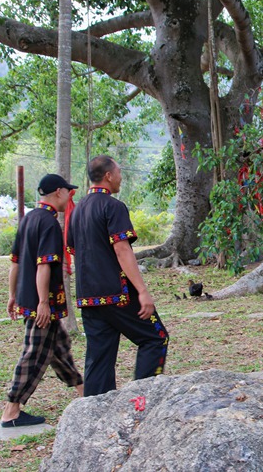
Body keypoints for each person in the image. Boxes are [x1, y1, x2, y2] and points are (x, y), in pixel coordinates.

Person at [67, 155, 169, 397]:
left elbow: (73, 250)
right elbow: (122, 249)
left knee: (99, 356)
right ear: (108, 176)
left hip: (88, 297)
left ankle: (94, 412)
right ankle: (141, 401)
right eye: (119, 172)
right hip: (117, 293)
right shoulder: (113, 207)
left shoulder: (78, 210)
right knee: (156, 338)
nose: (121, 177)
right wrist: (142, 291)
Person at [2, 174, 84, 427]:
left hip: (27, 298)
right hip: (41, 303)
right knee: (34, 352)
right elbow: (43, 266)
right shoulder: (49, 223)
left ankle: (85, 393)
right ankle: (11, 410)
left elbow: (15, 262)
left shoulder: (28, 219)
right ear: (58, 191)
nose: (69, 197)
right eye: (68, 192)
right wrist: (43, 302)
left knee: (60, 349)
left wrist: (12, 295)